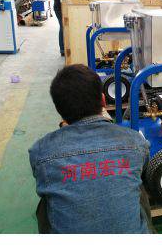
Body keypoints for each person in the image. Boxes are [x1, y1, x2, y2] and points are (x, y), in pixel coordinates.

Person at [28, 65, 152, 234]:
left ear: (59, 111)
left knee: (46, 202)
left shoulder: (40, 151)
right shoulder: (136, 142)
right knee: (138, 186)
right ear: (103, 101)